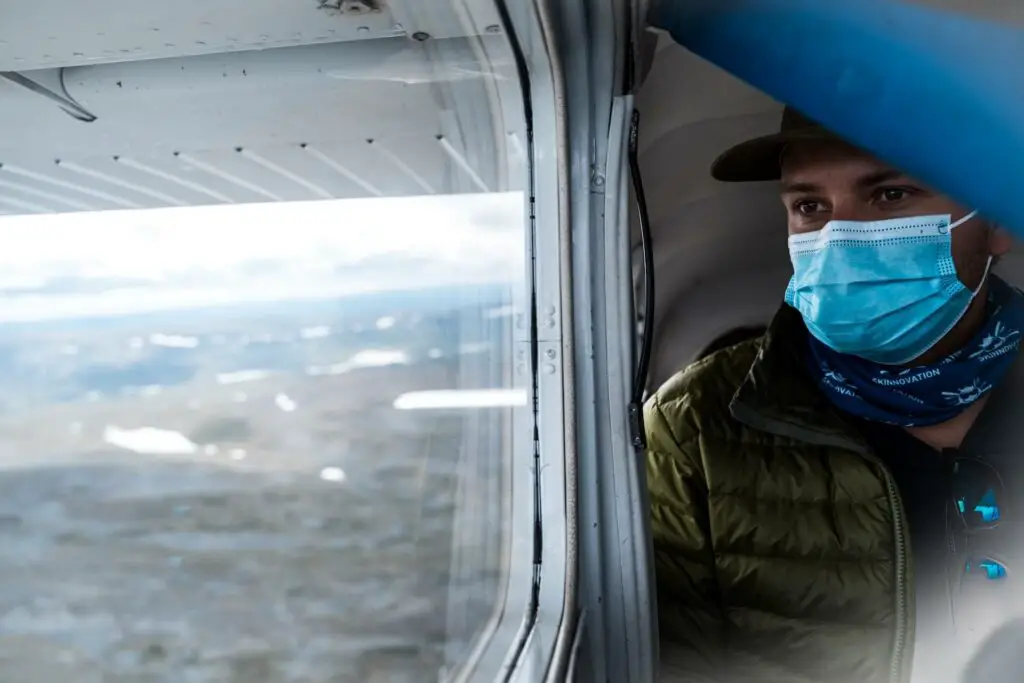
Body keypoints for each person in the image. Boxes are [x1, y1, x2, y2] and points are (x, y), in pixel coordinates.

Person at [646, 107, 1024, 683]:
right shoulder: (697, 424)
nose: (838, 235)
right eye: (810, 207)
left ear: (998, 219)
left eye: (892, 195)